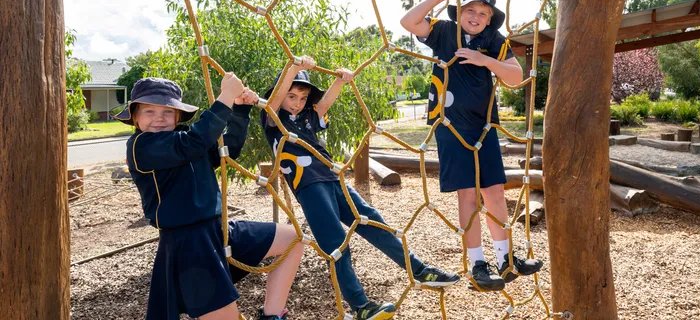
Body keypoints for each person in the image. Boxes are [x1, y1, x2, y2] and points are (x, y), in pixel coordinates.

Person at [260, 57, 459, 320]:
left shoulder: (308, 115)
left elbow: (325, 103)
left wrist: (341, 81)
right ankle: (360, 305)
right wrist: (293, 69)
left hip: (333, 177)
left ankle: (419, 270)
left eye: (302, 98)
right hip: (309, 186)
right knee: (337, 243)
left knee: (373, 222)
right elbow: (274, 102)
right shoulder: (272, 118)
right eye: (291, 96)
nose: (297, 103)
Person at [118, 75, 302, 320]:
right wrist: (225, 97)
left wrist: (240, 107)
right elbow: (194, 141)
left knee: (294, 240)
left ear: (178, 116)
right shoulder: (141, 147)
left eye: (167, 111)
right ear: (135, 118)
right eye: (149, 111)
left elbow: (228, 149)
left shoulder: (183, 140)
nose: (159, 118)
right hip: (190, 245)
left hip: (218, 230)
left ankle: (272, 315)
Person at [399, 0, 543, 291]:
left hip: (484, 126)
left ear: (490, 20)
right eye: (471, 10)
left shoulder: (492, 39)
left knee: (494, 191)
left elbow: (516, 75)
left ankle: (505, 259)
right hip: (450, 125)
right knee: (468, 193)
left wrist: (486, 60)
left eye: (483, 13)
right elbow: (408, 22)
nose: (476, 17)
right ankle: (478, 264)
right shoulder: (443, 31)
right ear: (460, 11)